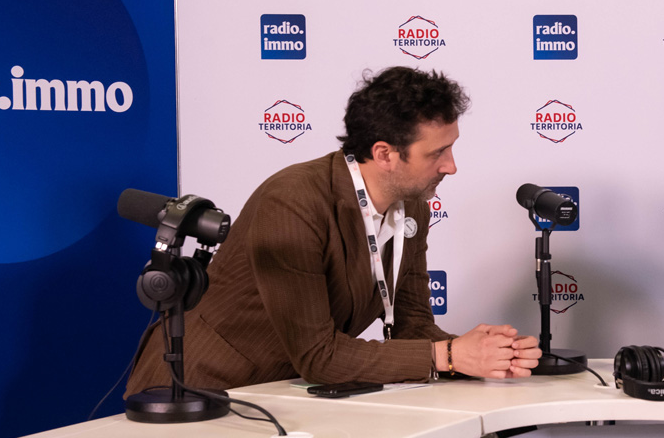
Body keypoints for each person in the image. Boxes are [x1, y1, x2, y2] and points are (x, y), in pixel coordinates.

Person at [126, 66, 540, 395]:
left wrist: (485, 354)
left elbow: (412, 325)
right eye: (438, 153)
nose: (451, 166)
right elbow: (318, 356)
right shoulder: (292, 203)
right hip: (199, 388)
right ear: (385, 154)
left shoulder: (412, 204)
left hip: (280, 395)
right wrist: (449, 355)